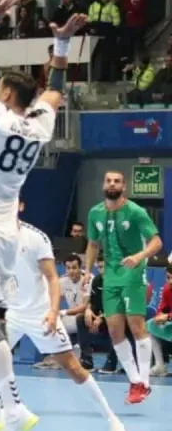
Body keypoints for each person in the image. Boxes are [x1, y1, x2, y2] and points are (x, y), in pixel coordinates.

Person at [0, 0, 88, 431]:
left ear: (6, 95)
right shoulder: (39, 127)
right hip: (8, 236)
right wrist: (62, 46)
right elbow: (54, 92)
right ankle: (9, 409)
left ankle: (13, 408)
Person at [0, 219, 127, 431]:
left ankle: (112, 420)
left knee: (73, 368)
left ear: (18, 207)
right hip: (13, 315)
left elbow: (51, 277)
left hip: (41, 314)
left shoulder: (36, 238)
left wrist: (52, 312)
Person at [83, 170, 163, 403]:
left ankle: (145, 383)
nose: (112, 184)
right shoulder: (95, 213)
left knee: (136, 326)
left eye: (117, 181)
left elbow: (156, 242)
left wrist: (139, 257)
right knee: (115, 331)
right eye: (108, 180)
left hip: (133, 272)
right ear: (103, 184)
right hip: (110, 275)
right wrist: (88, 271)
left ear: (124, 187)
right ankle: (134, 381)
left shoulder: (136, 212)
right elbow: (92, 244)